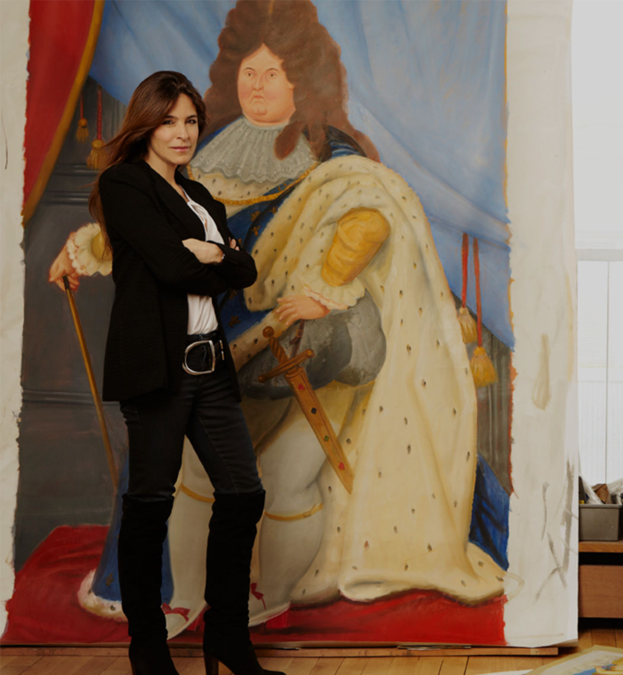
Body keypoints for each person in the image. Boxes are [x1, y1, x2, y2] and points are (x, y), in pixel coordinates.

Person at [56, 0, 502, 638]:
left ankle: (265, 593)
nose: (258, 86)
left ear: (302, 81)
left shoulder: (331, 153)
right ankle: (181, 598)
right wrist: (87, 249)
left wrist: (326, 289)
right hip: (205, 338)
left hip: (299, 344)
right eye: (249, 72)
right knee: (181, 473)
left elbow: (372, 219)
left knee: (282, 478)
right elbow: (153, 230)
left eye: (274, 73)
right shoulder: (203, 153)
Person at [49, 72, 282, 675]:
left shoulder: (198, 195)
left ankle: (226, 637)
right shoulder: (124, 185)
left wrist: (211, 254)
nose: (182, 133)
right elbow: (174, 270)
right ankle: (148, 649)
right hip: (158, 370)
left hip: (212, 368)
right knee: (150, 505)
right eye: (169, 121)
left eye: (191, 121)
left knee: (244, 494)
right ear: (146, 125)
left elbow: (246, 271)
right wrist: (213, 257)